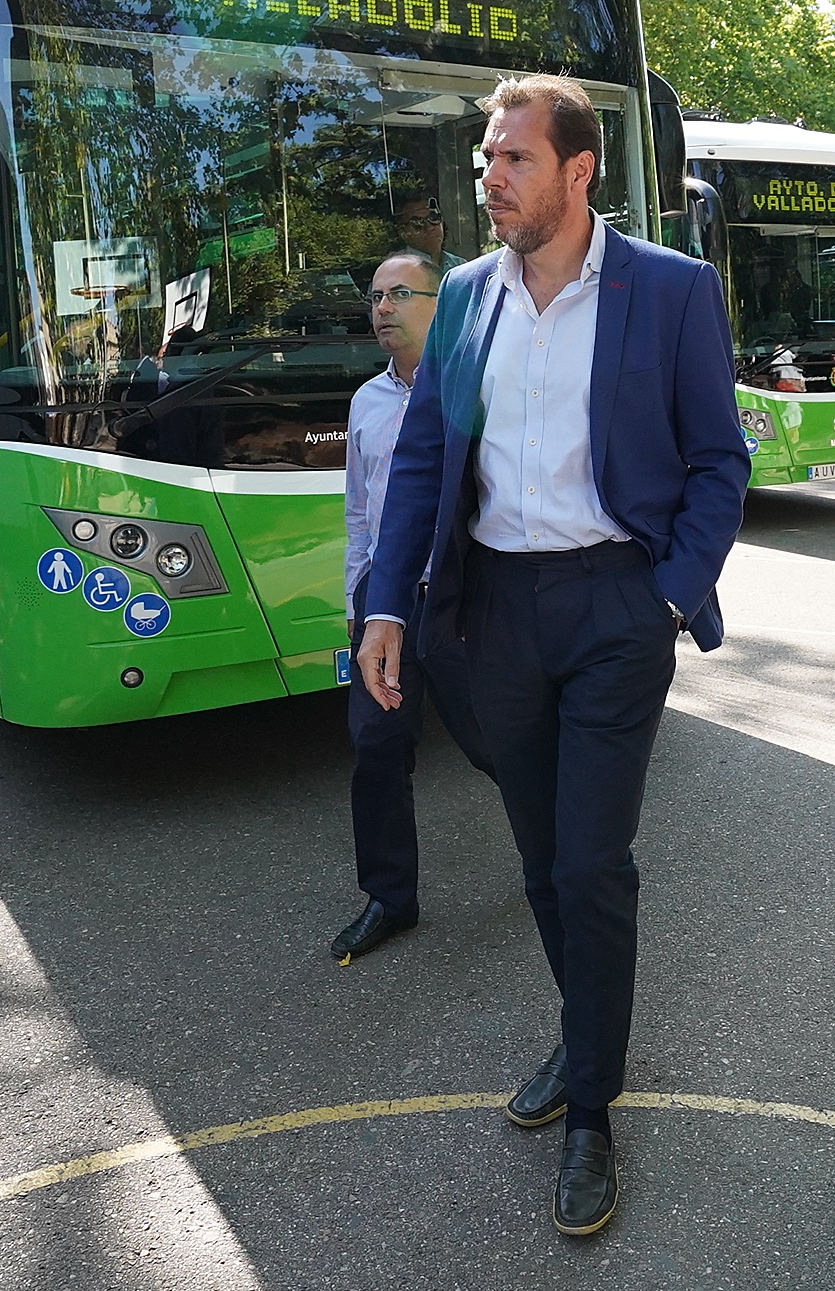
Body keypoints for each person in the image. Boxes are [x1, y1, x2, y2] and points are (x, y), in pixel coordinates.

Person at [354, 74, 749, 1238]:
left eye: (512, 158)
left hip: (613, 605)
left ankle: (590, 1112)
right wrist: (386, 606)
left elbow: (718, 461)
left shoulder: (669, 289)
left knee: (589, 864)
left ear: (577, 171)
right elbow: (423, 459)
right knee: (538, 858)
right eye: (487, 157)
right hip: (491, 613)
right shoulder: (466, 295)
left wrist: (663, 597)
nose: (489, 177)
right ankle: (587, 1039)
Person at [331, 248, 442, 963]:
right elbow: (359, 511)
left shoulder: (471, 389)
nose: (382, 308)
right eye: (375, 296)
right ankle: (390, 896)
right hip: (386, 597)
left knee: (499, 742)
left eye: (400, 293)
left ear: (438, 305)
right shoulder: (367, 401)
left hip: (461, 592)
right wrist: (359, 596)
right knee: (376, 742)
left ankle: (561, 855)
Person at [394, 189, 464, 270]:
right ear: (403, 232)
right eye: (418, 222)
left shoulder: (460, 265)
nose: (430, 227)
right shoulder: (397, 269)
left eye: (434, 218)